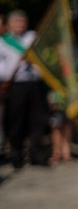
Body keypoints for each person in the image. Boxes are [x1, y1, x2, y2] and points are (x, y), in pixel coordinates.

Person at [0, 10, 51, 168]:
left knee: (37, 119)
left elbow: (44, 55)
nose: (20, 25)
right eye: (17, 22)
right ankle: (17, 154)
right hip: (16, 83)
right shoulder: (3, 42)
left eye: (23, 22)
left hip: (34, 82)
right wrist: (14, 67)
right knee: (16, 120)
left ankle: (36, 153)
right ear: (9, 25)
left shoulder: (32, 37)